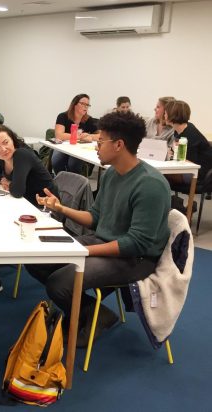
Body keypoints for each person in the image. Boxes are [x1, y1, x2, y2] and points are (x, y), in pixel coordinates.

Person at [26, 111, 171, 347]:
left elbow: (136, 243)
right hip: (104, 242)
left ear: (119, 145)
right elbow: (94, 218)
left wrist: (85, 252)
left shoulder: (151, 186)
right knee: (37, 260)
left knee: (59, 283)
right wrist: (61, 208)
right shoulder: (112, 173)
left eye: (100, 141)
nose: (96, 145)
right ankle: (95, 312)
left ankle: (90, 315)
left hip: (136, 259)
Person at [0, 125, 58, 293]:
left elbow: (17, 190)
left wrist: (10, 184)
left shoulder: (22, 155)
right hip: (25, 204)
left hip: (44, 209)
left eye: (5, 142)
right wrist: (4, 181)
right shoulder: (4, 158)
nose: (3, 149)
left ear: (13, 140)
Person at [164, 100, 212, 184]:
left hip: (198, 174)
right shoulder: (179, 131)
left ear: (172, 114)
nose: (164, 115)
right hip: (188, 169)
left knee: (156, 174)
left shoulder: (190, 135)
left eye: (165, 113)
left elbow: (189, 164)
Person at [51, 93, 99, 175]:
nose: (86, 107)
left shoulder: (88, 120)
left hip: (78, 148)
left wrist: (89, 136)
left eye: (87, 105)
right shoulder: (63, 116)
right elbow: (59, 135)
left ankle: (75, 184)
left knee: (73, 164)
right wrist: (79, 137)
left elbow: (100, 136)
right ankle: (61, 180)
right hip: (63, 146)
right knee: (56, 161)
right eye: (83, 104)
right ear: (74, 104)